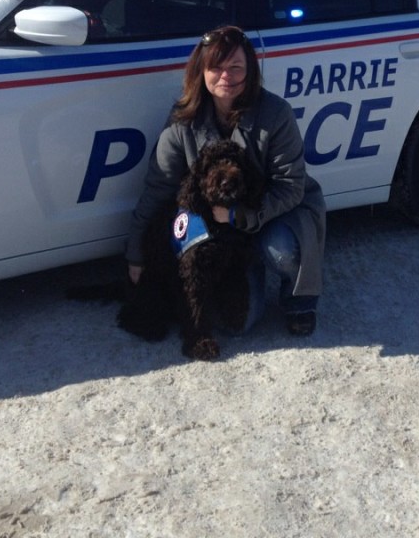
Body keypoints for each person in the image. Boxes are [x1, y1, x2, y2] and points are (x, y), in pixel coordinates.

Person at [126, 26, 326, 337]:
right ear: (200, 71)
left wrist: (241, 216)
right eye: (216, 67)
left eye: (236, 67)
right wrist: (136, 254)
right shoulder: (182, 121)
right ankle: (249, 269)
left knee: (282, 250)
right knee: (236, 324)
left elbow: (291, 186)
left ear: (250, 71)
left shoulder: (275, 113)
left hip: (275, 210)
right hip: (222, 229)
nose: (226, 76)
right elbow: (159, 187)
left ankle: (300, 300)